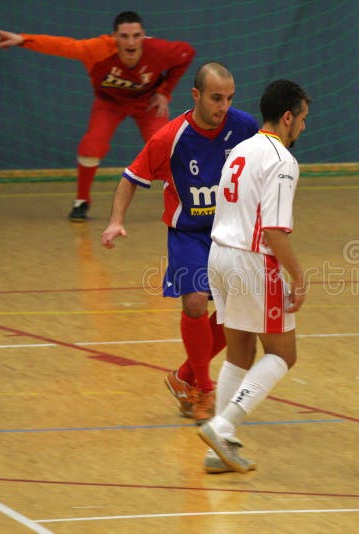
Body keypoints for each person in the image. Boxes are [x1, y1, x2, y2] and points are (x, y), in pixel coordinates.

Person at [100, 63, 259, 433]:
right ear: (196, 95)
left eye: (229, 98)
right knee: (195, 302)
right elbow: (130, 178)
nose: (224, 106)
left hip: (230, 232)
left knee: (240, 314)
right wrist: (115, 220)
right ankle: (204, 388)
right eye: (216, 98)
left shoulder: (245, 127)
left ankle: (184, 376)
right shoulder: (170, 138)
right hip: (188, 233)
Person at [197, 79, 310, 474]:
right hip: (251, 262)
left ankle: (219, 449)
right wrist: (298, 275)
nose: (303, 128)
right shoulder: (282, 160)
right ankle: (223, 425)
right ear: (286, 117)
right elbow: (274, 230)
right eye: (302, 119)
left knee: (240, 353)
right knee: (282, 354)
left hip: (218, 256)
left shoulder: (240, 149)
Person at [0, 11, 195, 221]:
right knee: (91, 146)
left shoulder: (159, 50)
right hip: (109, 103)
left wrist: (164, 92)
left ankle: (186, 199)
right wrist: (23, 39)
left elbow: (187, 54)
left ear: (143, 35)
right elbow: (62, 46)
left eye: (136, 35)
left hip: (147, 104)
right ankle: (82, 201)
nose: (131, 42)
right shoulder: (97, 50)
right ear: (114, 37)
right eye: (124, 36)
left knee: (166, 147)